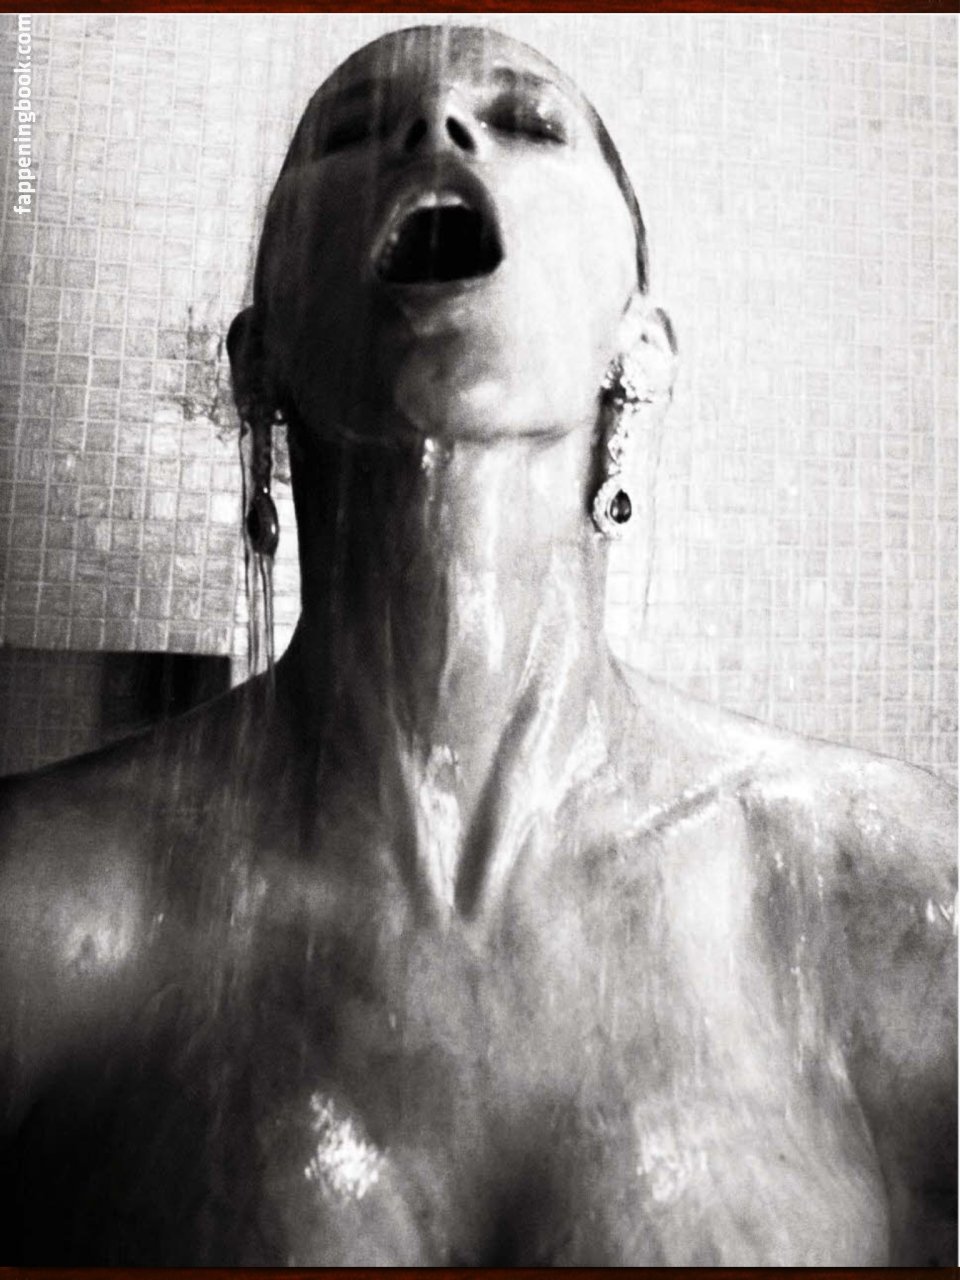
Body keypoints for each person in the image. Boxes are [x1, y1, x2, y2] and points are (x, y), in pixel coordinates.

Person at [0, 25, 955, 1266]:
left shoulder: (897, 899)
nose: (436, 129)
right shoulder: (40, 908)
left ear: (640, 348)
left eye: (526, 122)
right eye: (355, 130)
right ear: (257, 359)